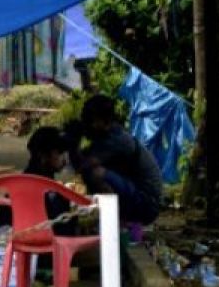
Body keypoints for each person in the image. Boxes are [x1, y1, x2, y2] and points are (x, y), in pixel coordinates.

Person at [70, 95, 163, 225]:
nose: (87, 125)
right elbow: (80, 165)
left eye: (91, 121)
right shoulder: (104, 139)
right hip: (139, 199)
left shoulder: (117, 140)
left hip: (146, 204)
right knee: (91, 173)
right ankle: (117, 220)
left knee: (95, 173)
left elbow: (84, 166)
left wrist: (73, 144)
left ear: (105, 121)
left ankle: (114, 222)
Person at [0, 126, 75, 234]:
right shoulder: (52, 192)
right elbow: (62, 228)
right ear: (43, 155)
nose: (65, 158)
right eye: (60, 152)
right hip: (46, 242)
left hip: (15, 241)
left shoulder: (14, 186)